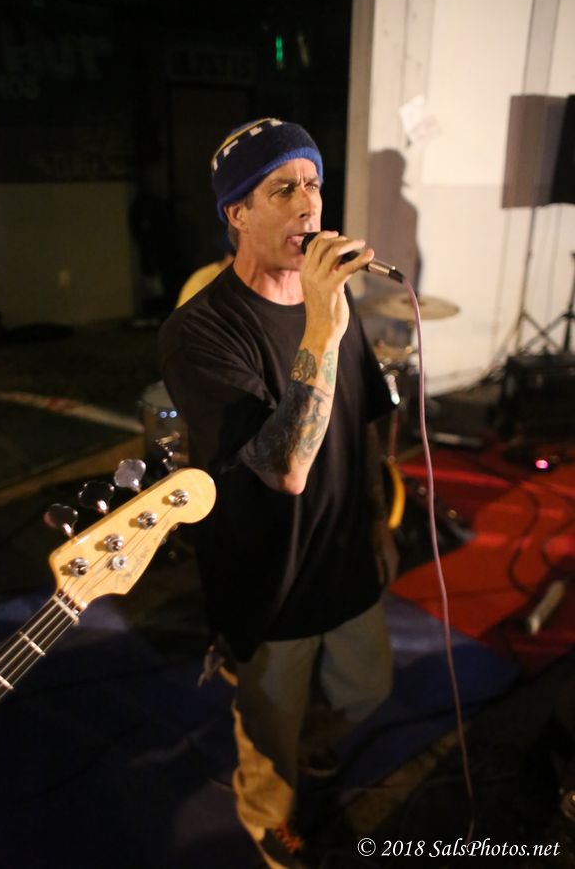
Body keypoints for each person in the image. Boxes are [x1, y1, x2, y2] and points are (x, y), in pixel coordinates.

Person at [159, 117, 398, 869]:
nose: (309, 203)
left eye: (313, 184)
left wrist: (378, 520)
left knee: (368, 691)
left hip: (345, 554)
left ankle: (313, 745)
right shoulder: (201, 330)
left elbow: (362, 421)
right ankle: (269, 822)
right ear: (237, 212)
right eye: (282, 188)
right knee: (268, 733)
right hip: (268, 575)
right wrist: (322, 324)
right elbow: (284, 466)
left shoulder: (334, 305)